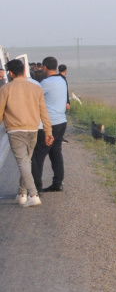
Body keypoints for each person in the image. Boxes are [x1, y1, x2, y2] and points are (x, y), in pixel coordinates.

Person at [0, 58, 53, 208]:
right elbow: (44, 111)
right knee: (26, 162)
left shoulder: (5, 89)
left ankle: (33, 194)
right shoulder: (36, 88)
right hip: (33, 130)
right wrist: (48, 131)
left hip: (15, 130)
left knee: (23, 163)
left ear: (10, 73)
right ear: (24, 71)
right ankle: (22, 193)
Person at [31, 56, 69, 193]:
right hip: (62, 121)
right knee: (56, 153)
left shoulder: (45, 83)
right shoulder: (62, 80)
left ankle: (37, 187)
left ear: (45, 67)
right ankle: (58, 183)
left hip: (49, 124)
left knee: (38, 155)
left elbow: (34, 98)